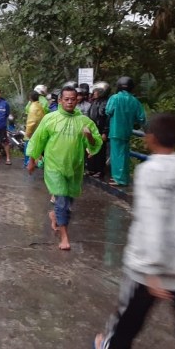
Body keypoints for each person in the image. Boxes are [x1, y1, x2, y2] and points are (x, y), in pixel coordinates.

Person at [94, 113, 175, 349]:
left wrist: (152, 269)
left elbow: (152, 220)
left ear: (150, 138)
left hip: (150, 270)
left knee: (127, 324)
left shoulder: (151, 171)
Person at [26, 86, 102, 250]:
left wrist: (88, 135)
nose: (69, 102)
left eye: (72, 99)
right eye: (66, 99)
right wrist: (32, 160)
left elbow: (95, 144)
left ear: (77, 100)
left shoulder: (84, 121)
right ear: (60, 100)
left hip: (74, 168)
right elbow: (38, 140)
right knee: (61, 201)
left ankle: (55, 216)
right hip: (54, 167)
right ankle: (64, 237)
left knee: (67, 203)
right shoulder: (50, 118)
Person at [105, 76, 146, 186]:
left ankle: (119, 179)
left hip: (115, 130)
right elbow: (141, 118)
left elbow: (108, 111)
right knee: (124, 154)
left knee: (117, 155)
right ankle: (124, 177)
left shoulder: (114, 98)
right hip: (127, 131)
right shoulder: (135, 101)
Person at [86, 81, 111, 178]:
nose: (94, 92)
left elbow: (106, 119)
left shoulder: (105, 103)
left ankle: (100, 171)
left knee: (100, 151)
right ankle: (92, 169)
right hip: (93, 129)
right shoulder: (95, 102)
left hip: (100, 130)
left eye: (96, 91)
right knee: (92, 149)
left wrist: (105, 132)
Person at [24, 90, 46, 167]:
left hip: (34, 132)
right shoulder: (39, 105)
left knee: (34, 150)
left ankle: (33, 164)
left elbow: (31, 122)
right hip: (42, 130)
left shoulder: (32, 107)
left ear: (30, 98)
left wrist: (28, 134)